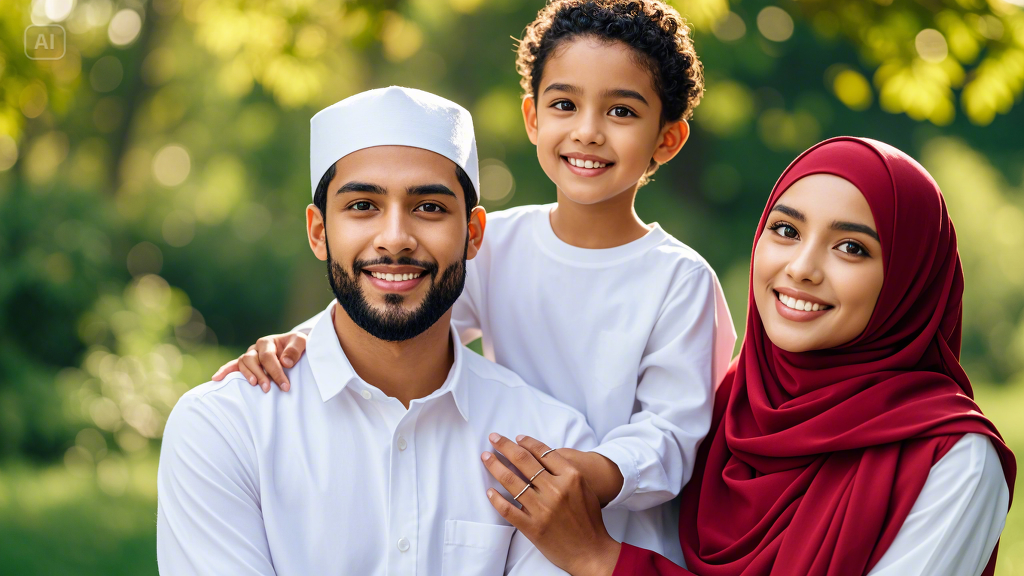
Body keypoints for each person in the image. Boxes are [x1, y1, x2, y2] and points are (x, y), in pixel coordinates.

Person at [213, 0, 735, 564]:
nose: (587, 132)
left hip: (614, 542)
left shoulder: (679, 279)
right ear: (533, 118)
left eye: (621, 113)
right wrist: (300, 344)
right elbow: (406, 321)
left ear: (667, 139)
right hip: (498, 501)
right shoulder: (496, 244)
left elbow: (672, 435)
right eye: (565, 104)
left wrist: (577, 470)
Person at [482, 136, 1017, 576]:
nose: (802, 267)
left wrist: (601, 560)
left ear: (908, 281)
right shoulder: (720, 413)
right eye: (786, 230)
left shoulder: (954, 460)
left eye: (851, 247)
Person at [156, 86, 599, 575]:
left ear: (472, 234)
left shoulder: (549, 442)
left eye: (429, 207)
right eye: (363, 206)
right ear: (319, 231)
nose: (394, 240)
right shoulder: (226, 428)